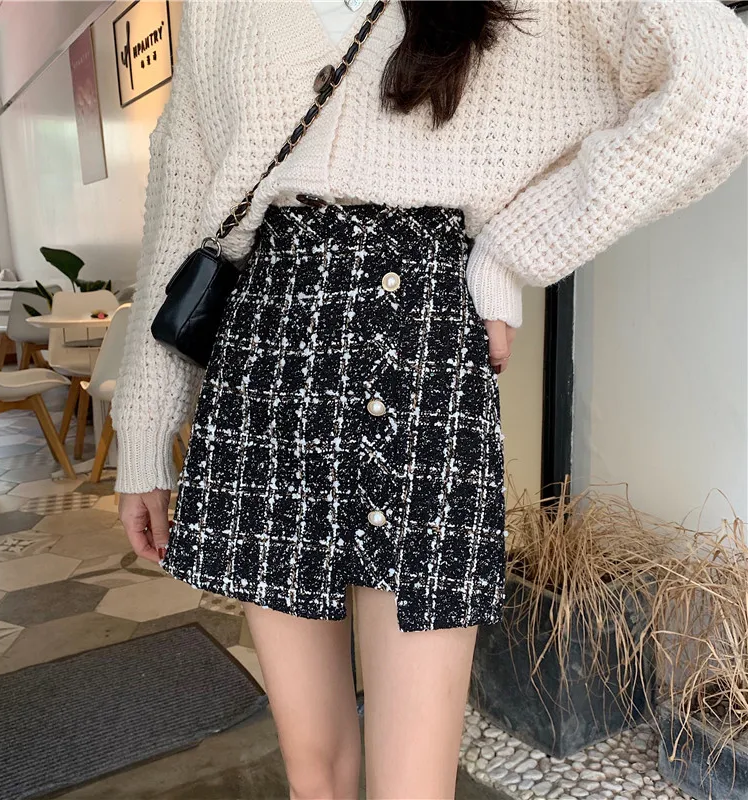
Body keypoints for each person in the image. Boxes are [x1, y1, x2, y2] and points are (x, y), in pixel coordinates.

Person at [110, 1, 747, 797]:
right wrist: (144, 430)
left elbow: (719, 81)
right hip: (267, 350)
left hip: (424, 347)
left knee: (413, 781)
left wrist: (512, 254)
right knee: (314, 767)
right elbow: (184, 180)